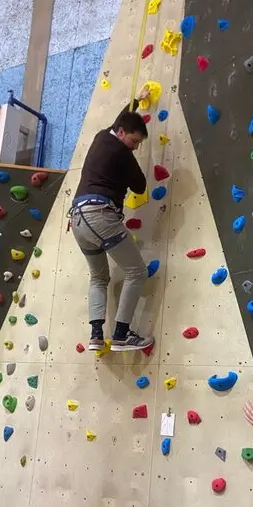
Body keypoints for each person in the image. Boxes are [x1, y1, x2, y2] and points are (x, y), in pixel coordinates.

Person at [71, 93, 155, 352]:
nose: (135, 147)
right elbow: (140, 187)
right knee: (137, 272)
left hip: (78, 219)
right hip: (100, 214)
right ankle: (121, 335)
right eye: (134, 141)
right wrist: (128, 163)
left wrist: (136, 101)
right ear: (121, 133)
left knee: (98, 277)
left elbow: (121, 117)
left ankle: (96, 335)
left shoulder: (101, 137)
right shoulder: (122, 152)